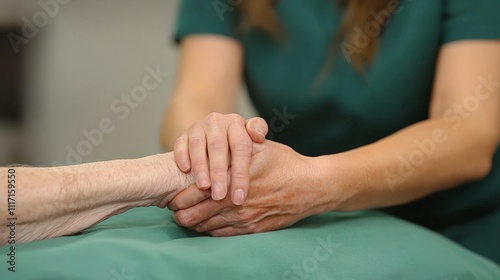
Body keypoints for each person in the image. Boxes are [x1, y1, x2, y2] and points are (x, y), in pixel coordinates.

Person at [161, 0, 500, 263]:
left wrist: (315, 183)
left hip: (456, 227)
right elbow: (196, 97)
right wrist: (206, 145)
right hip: (306, 224)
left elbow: (467, 134)